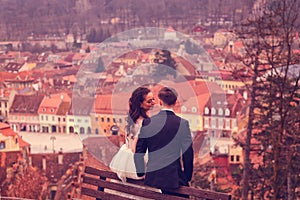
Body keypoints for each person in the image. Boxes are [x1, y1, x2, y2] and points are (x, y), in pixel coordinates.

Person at [134, 87, 194, 198]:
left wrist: (141, 172)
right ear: (176, 102)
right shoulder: (182, 123)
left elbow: (139, 151)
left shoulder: (148, 123)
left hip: (153, 178)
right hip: (174, 178)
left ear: (160, 102)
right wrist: (186, 176)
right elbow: (188, 153)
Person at [109, 86, 156, 182]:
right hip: (137, 159)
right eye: (149, 101)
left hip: (125, 158)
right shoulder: (144, 122)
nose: (154, 103)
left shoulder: (131, 119)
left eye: (153, 99)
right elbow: (136, 148)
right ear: (141, 104)